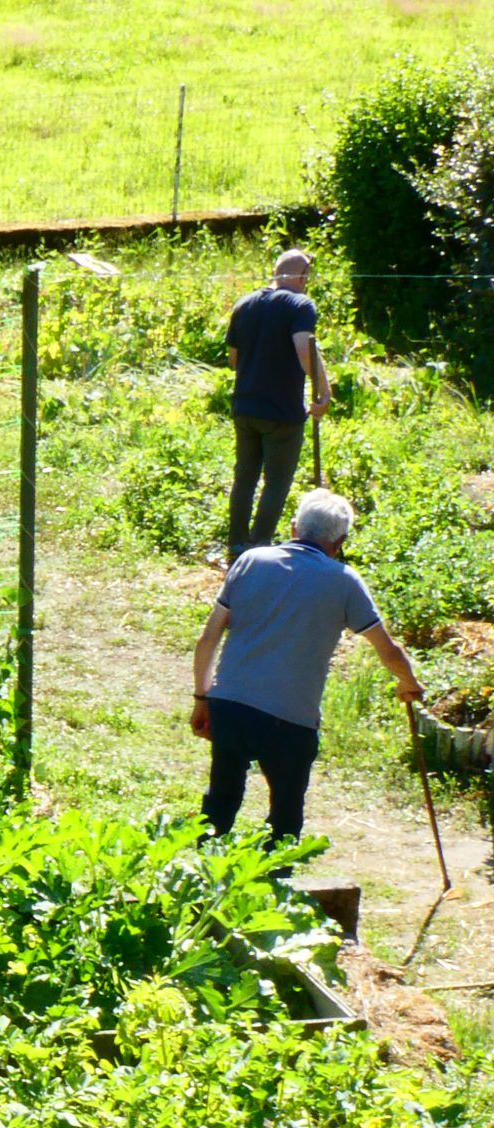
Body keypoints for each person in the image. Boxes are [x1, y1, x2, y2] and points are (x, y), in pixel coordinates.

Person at [190, 489, 420, 844]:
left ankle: (203, 868)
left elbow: (208, 638)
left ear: (294, 527)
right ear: (339, 543)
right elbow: (388, 651)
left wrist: (202, 698)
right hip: (290, 721)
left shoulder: (250, 561)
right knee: (285, 818)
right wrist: (408, 682)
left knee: (220, 801)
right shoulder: (344, 581)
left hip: (230, 706)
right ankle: (278, 873)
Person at [224, 250, 331, 562]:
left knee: (244, 478)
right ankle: (259, 546)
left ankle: (236, 543)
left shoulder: (244, 304)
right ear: (302, 277)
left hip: (245, 407)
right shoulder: (300, 305)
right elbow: (304, 348)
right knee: (277, 482)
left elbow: (233, 359)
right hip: (282, 412)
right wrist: (323, 391)